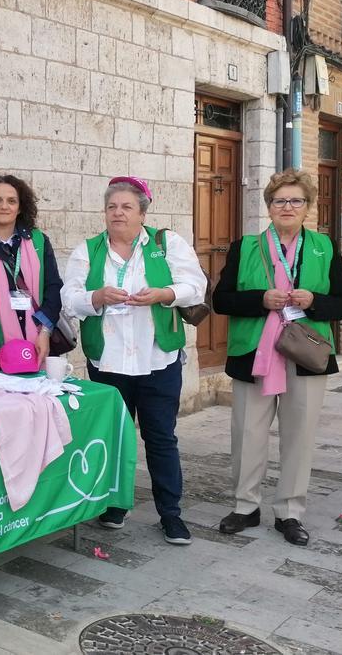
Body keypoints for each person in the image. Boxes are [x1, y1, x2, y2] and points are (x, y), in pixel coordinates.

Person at [61, 176, 208, 545]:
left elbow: (196, 285)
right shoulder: (89, 250)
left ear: (143, 213)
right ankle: (115, 506)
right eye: (112, 207)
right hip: (108, 362)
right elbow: (70, 298)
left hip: (158, 358)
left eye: (127, 207)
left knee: (161, 438)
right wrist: (97, 297)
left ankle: (170, 515)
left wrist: (165, 293)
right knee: (114, 436)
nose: (118, 213)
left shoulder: (165, 243)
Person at [212, 169, 342, 546]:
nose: (287, 207)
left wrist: (314, 302)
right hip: (253, 354)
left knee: (299, 435)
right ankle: (246, 506)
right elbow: (221, 299)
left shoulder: (326, 248)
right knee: (247, 433)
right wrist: (260, 299)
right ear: (269, 207)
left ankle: (290, 512)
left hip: (306, 353)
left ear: (308, 207)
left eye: (296, 201)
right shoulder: (245, 246)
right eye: (279, 201)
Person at [0, 175, 64, 370]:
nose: (4, 206)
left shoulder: (39, 242)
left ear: (20, 207)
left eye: (11, 201)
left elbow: (53, 287)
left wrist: (45, 332)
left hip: (40, 346)